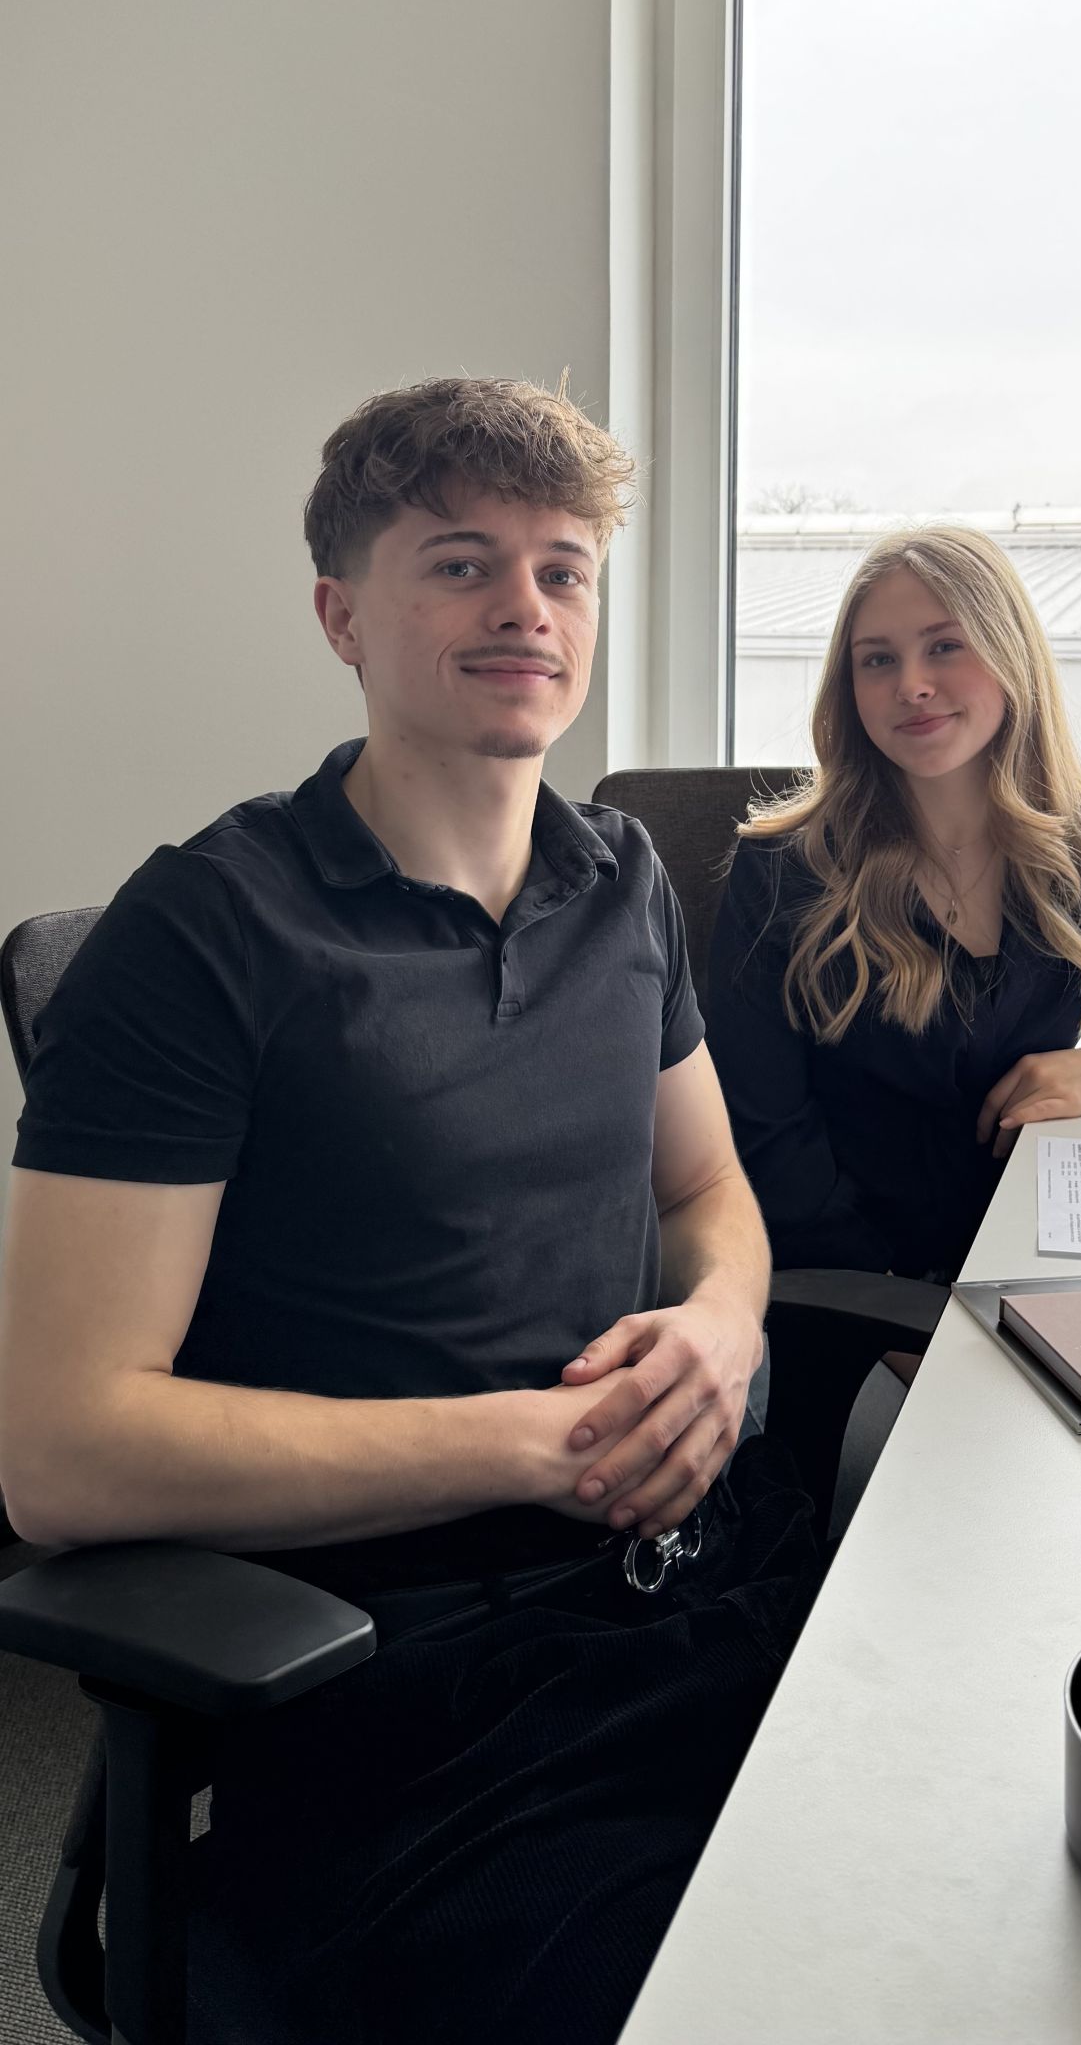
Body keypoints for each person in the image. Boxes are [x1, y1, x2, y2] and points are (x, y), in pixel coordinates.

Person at [0, 375, 818, 2045]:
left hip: (695, 1592)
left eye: (564, 569)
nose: (527, 606)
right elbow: (62, 1452)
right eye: (461, 563)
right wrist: (543, 1446)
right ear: (341, 617)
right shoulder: (207, 933)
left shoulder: (626, 882)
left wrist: (722, 1326)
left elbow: (706, 1188)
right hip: (413, 1683)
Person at [709, 527, 1081, 1285]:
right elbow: (761, 1142)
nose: (912, 684)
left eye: (945, 646)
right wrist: (904, 1313)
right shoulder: (783, 871)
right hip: (848, 1288)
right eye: (878, 659)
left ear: (1009, 655)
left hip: (1036, 1254)